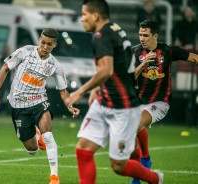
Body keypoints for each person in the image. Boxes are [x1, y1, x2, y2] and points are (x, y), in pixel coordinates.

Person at [65, 1, 163, 184]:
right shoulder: (115, 28)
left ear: (95, 16)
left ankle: (155, 179)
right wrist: (96, 89)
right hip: (104, 102)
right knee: (83, 150)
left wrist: (80, 91)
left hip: (124, 108)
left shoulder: (102, 35)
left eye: (85, 14)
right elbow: (115, 66)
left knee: (119, 166)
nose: (82, 18)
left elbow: (106, 71)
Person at [0, 28, 80, 184]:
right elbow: (5, 68)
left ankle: (54, 177)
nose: (45, 47)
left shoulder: (54, 65)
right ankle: (36, 135)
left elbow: (63, 91)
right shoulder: (25, 52)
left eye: (49, 44)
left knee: (49, 136)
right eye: (43, 42)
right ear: (39, 40)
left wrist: (70, 106)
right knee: (32, 150)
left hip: (39, 102)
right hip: (18, 105)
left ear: (55, 45)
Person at [130, 19, 198, 184]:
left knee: (133, 125)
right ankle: (145, 160)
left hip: (160, 102)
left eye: (145, 35)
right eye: (140, 35)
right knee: (128, 132)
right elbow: (128, 78)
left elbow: (193, 57)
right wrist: (143, 63)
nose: (142, 38)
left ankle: (141, 167)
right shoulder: (134, 53)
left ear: (155, 35)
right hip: (138, 103)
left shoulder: (167, 50)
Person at [0, 45, 12, 113]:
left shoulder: (11, 58)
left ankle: (7, 111)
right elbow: (1, 69)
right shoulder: (2, 58)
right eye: (5, 49)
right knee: (1, 95)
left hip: (9, 79)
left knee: (11, 95)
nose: (6, 51)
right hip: (4, 79)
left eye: (7, 49)